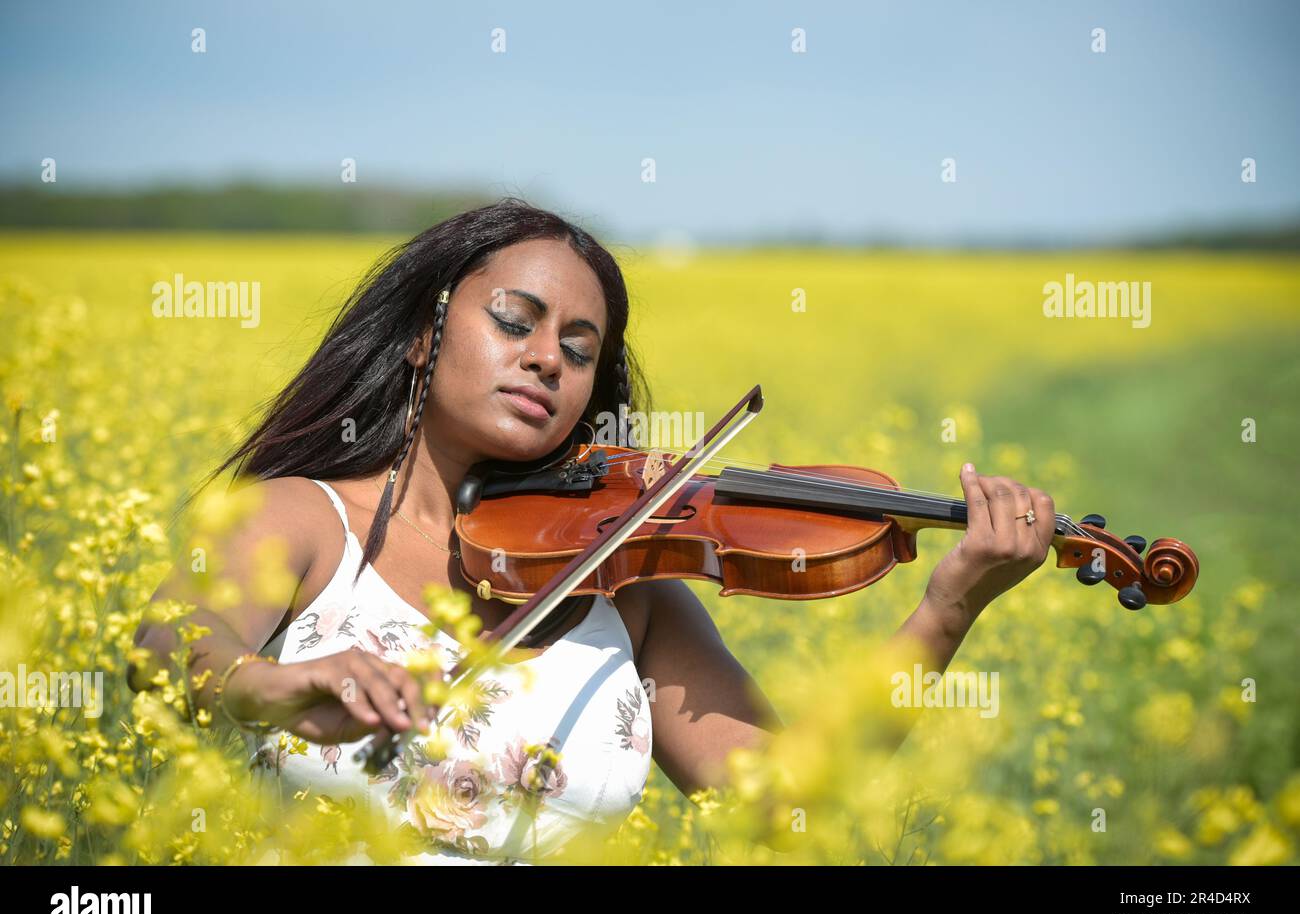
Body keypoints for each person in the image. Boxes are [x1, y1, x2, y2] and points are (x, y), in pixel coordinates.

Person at [129, 197, 1056, 864]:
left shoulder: (629, 588)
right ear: (423, 334)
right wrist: (276, 687)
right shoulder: (303, 517)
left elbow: (784, 802)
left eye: (579, 351)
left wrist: (948, 607)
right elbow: (167, 645)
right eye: (513, 323)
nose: (546, 360)